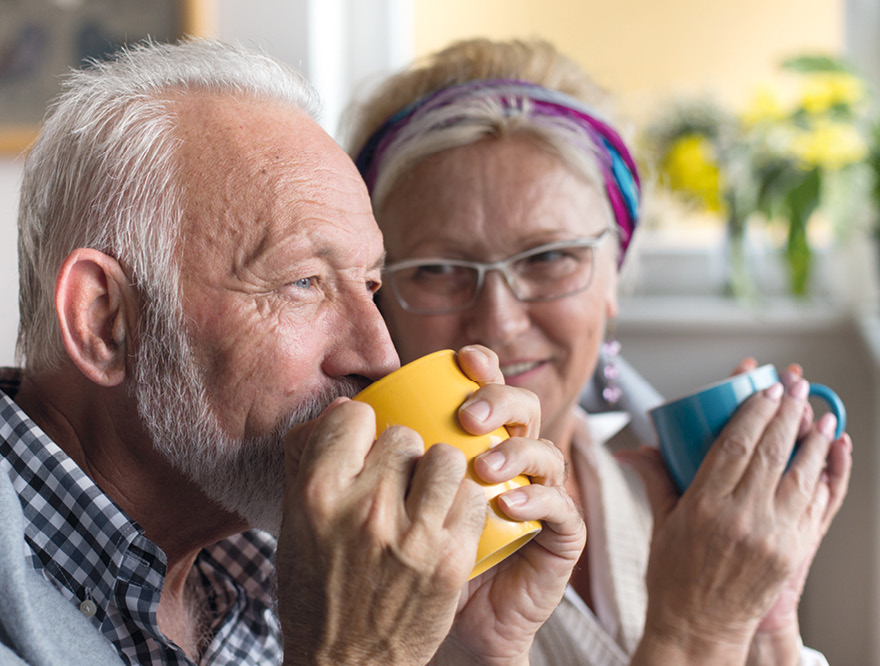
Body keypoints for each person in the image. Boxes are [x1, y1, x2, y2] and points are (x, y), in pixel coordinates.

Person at [0, 39, 588, 665]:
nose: (379, 356)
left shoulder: (254, 569)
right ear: (104, 322)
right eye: (303, 283)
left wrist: (456, 651)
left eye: (370, 286)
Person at [344, 37, 853, 666]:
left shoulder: (665, 499)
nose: (498, 321)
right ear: (379, 293)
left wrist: (767, 620)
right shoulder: (350, 561)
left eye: (550, 257)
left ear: (616, 276)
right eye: (439, 269)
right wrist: (699, 630)